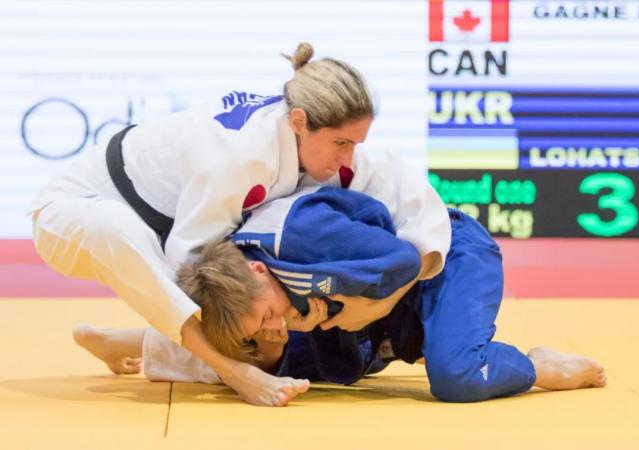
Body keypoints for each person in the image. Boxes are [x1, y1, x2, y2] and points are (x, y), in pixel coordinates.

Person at [30, 42, 450, 407]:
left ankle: (128, 342)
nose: (347, 156)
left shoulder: (301, 137)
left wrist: (385, 297)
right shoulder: (242, 158)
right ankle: (233, 372)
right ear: (300, 121)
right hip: (71, 213)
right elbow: (188, 271)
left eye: (355, 144)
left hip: (159, 224)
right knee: (205, 291)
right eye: (341, 143)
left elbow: (394, 182)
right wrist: (240, 363)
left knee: (262, 311)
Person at [75, 186, 606, 402]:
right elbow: (264, 329)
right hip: (385, 319)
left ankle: (538, 365)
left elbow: (403, 261)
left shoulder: (307, 239)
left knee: (455, 376)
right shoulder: (249, 288)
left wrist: (356, 308)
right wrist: (276, 340)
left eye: (266, 315)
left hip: (446, 259)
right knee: (266, 364)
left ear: (261, 272)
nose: (272, 324)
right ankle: (137, 342)